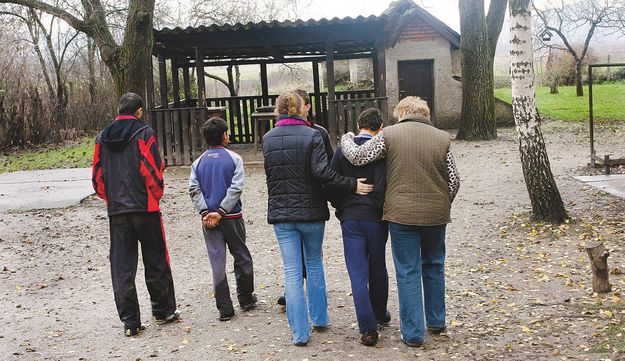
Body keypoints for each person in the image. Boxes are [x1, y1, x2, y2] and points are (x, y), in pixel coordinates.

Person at [339, 96, 460, 347]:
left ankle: (414, 334)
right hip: (436, 215)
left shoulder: (390, 135)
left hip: (401, 215)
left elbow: (359, 157)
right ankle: (436, 322)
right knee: (434, 265)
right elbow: (454, 180)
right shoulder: (442, 137)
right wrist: (442, 202)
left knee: (408, 271)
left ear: (402, 112)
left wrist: (345, 138)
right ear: (425, 114)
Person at [262, 91, 373, 346]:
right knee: (313, 264)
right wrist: (351, 184)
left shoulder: (267, 139)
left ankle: (300, 333)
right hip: (311, 211)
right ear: (300, 109)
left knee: (291, 271)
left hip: (281, 214)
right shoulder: (312, 135)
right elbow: (322, 172)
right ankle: (320, 318)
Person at [92, 92, 179, 337]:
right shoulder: (144, 133)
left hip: (117, 211)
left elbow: (97, 177)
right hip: (145, 207)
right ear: (139, 110)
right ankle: (163, 311)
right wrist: (155, 195)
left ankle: (130, 322)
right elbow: (152, 170)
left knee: (122, 266)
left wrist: (110, 199)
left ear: (119, 110)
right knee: (156, 259)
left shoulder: (101, 137)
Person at [329, 108, 390, 346]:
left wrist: (341, 207)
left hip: (351, 216)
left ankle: (367, 327)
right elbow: (385, 185)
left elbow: (331, 181)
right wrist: (379, 208)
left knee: (357, 272)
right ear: (381, 127)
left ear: (359, 124)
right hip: (375, 217)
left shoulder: (343, 150)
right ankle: (379, 312)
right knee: (378, 265)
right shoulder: (382, 151)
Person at [189, 117, 256, 321]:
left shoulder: (197, 163)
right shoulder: (234, 159)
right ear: (225, 135)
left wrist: (206, 212)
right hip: (232, 216)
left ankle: (225, 308)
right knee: (241, 255)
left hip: (208, 220)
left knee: (217, 261)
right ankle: (245, 298)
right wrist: (222, 210)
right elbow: (236, 188)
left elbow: (194, 189)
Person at [275, 89, 334, 307]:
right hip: (305, 205)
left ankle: (302, 297)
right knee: (303, 259)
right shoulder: (282, 134)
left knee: (306, 259)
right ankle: (302, 297)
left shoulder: (319, 133)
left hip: (299, 203)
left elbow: (328, 164)